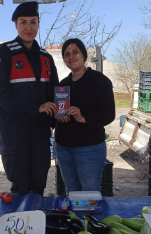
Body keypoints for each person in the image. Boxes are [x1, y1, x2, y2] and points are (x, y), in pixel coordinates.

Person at [0, 1, 59, 196]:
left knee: (38, 186)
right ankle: (20, 226)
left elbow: (55, 90)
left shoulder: (47, 57)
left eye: (33, 22)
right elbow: (1, 95)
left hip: (40, 133)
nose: (28, 27)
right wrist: (36, 107)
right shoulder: (4, 53)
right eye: (23, 22)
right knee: (20, 187)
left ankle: (36, 223)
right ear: (15, 25)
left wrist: (59, 115)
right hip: (15, 132)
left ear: (38, 24)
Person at [55, 38, 115, 194]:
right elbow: (58, 112)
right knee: (71, 190)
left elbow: (109, 114)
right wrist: (59, 116)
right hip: (63, 147)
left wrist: (84, 118)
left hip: (89, 147)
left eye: (75, 52)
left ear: (83, 55)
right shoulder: (62, 84)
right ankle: (75, 219)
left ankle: (89, 219)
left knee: (89, 192)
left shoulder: (99, 81)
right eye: (67, 54)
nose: (71, 57)